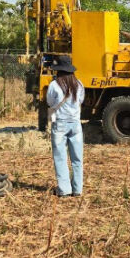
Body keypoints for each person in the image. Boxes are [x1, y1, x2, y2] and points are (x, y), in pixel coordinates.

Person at [45, 55, 84, 198]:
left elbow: (49, 102)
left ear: (58, 70)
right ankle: (78, 189)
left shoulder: (54, 85)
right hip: (76, 124)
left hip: (60, 123)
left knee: (60, 157)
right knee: (77, 159)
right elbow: (81, 100)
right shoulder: (78, 84)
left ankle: (64, 190)